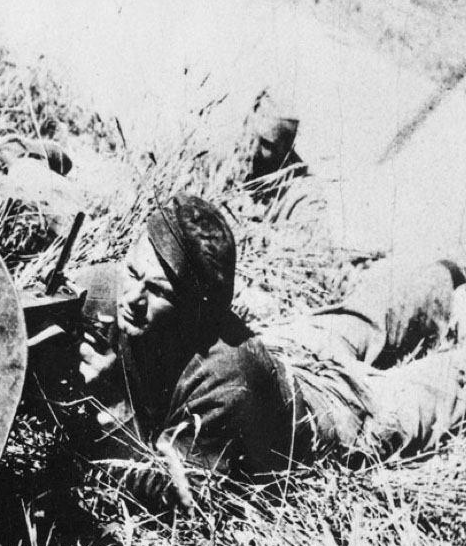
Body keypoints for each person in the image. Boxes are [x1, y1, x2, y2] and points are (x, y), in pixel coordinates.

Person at [74, 193, 464, 499]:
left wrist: (115, 405)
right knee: (358, 319)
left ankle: (449, 279)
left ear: (195, 310)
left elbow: (179, 499)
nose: (132, 298)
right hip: (281, 349)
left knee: (432, 391)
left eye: (159, 292)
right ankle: (446, 273)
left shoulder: (222, 385)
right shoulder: (112, 290)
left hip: (325, 414)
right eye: (132, 273)